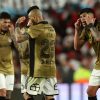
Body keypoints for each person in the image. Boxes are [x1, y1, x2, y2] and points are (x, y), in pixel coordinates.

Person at [15, 6, 58, 100]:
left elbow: (18, 38)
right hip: (51, 70)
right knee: (49, 96)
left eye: (30, 18)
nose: (29, 20)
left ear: (34, 17)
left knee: (27, 94)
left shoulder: (36, 28)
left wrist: (17, 25)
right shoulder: (51, 28)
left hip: (37, 70)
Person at [74, 8, 100, 100]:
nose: (82, 19)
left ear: (93, 17)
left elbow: (97, 37)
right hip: (99, 64)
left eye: (85, 16)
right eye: (80, 17)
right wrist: (77, 30)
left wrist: (90, 25)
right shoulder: (86, 30)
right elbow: (77, 47)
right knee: (90, 91)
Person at [0, 12, 15, 100]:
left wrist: (13, 34)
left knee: (8, 95)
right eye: (4, 22)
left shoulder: (10, 33)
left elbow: (18, 47)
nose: (7, 24)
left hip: (9, 67)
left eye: (8, 22)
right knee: (2, 91)